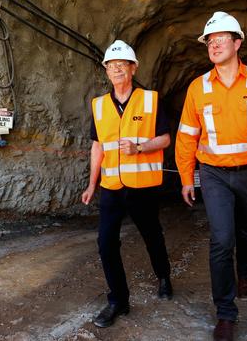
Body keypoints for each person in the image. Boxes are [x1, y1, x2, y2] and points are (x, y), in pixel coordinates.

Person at [175, 12, 247, 341]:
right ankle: (225, 313)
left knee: (245, 232)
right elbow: (186, 137)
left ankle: (245, 274)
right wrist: (187, 177)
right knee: (221, 239)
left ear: (237, 43)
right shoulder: (198, 88)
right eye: (209, 41)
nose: (213, 44)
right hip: (213, 174)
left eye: (220, 39)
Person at [81, 40, 173, 328]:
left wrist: (140, 147)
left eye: (122, 65)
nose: (116, 69)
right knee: (106, 243)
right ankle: (118, 301)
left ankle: (163, 275)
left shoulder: (151, 100)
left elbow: (166, 139)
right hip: (111, 187)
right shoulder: (99, 106)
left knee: (151, 234)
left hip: (142, 186)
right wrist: (91, 184)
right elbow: (98, 148)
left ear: (133, 68)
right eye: (111, 65)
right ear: (106, 71)